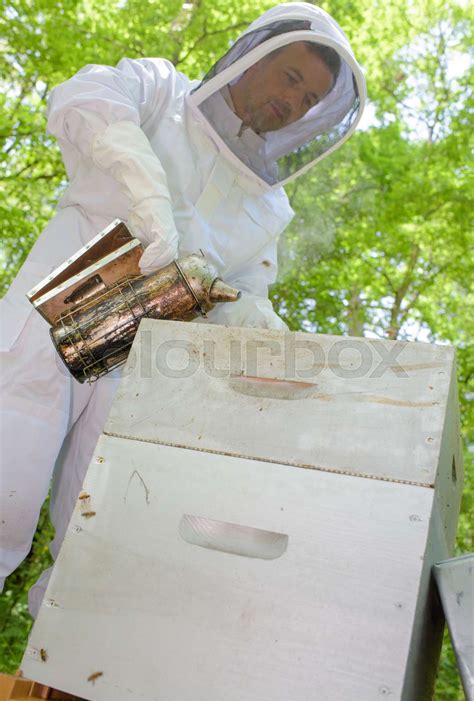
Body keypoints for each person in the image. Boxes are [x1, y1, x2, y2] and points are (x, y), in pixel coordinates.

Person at [0, 2, 366, 614]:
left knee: (102, 535)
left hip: (144, 365)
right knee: (5, 479)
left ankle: (59, 682)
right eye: (291, 77)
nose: (293, 102)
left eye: (308, 101)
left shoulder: (268, 206)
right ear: (252, 59)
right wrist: (145, 187)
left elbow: (243, 301)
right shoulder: (162, 90)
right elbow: (84, 97)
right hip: (62, 307)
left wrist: (297, 353)